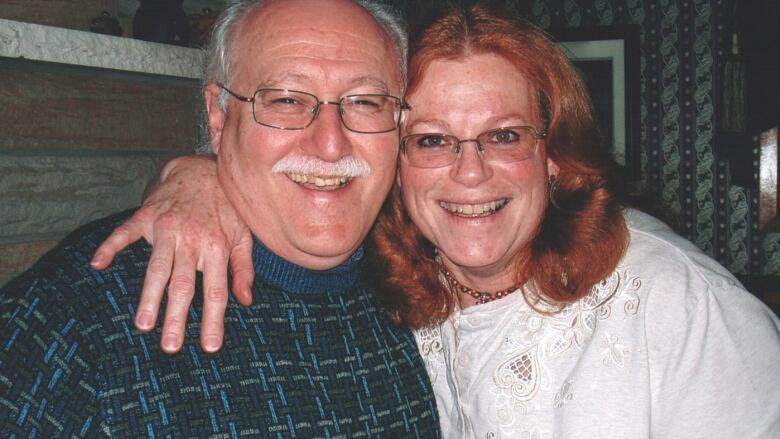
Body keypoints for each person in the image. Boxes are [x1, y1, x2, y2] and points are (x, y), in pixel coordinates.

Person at [92, 3, 780, 438]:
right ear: (395, 156)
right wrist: (197, 172)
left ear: (554, 157)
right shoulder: (393, 285)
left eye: (505, 135)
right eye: (432, 139)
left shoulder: (685, 310)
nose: (470, 170)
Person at [0, 0, 442, 436]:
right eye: (286, 100)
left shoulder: (425, 293)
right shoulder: (76, 313)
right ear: (217, 115)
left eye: (365, 102)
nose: (330, 144)